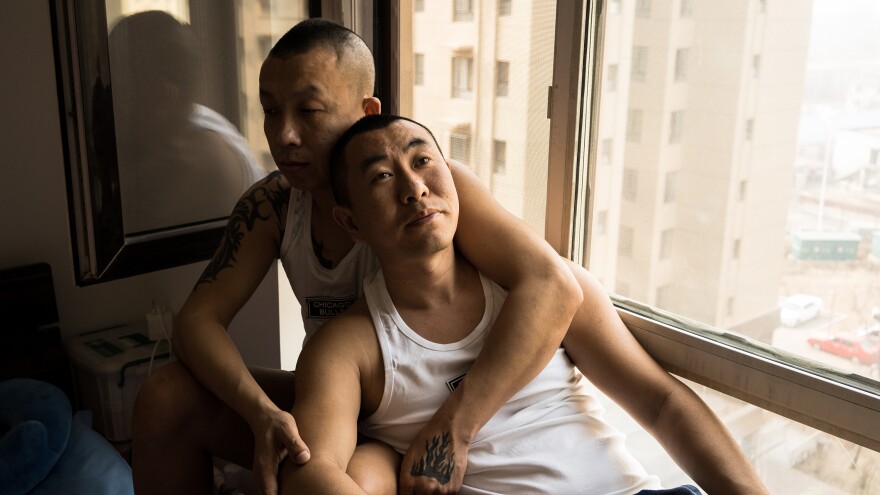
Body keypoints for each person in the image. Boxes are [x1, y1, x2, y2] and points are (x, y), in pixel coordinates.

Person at [132, 18, 583, 495]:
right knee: (166, 395)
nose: (283, 135)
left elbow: (552, 285)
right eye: (269, 111)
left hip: (423, 408)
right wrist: (260, 412)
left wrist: (456, 424)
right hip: (339, 403)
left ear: (366, 111)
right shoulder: (274, 206)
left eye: (308, 110)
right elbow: (196, 323)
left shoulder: (431, 190)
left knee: (346, 472)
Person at [277, 113, 753, 494]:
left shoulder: (542, 292)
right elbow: (310, 471)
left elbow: (663, 404)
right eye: (382, 175)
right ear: (351, 222)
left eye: (423, 161)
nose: (414, 188)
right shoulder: (348, 348)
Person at [108, 10, 266, 233]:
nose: (116, 101)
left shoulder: (200, 155)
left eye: (127, 86)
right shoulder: (173, 126)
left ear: (166, 92)